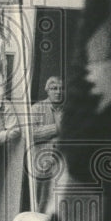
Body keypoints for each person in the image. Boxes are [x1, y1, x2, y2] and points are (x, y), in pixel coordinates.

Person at [30, 75, 64, 211]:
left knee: (57, 200)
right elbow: (32, 133)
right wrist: (57, 128)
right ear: (47, 90)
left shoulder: (68, 110)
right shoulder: (37, 108)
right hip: (41, 160)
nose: (58, 92)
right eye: (54, 88)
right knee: (39, 200)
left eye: (61, 89)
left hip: (61, 161)